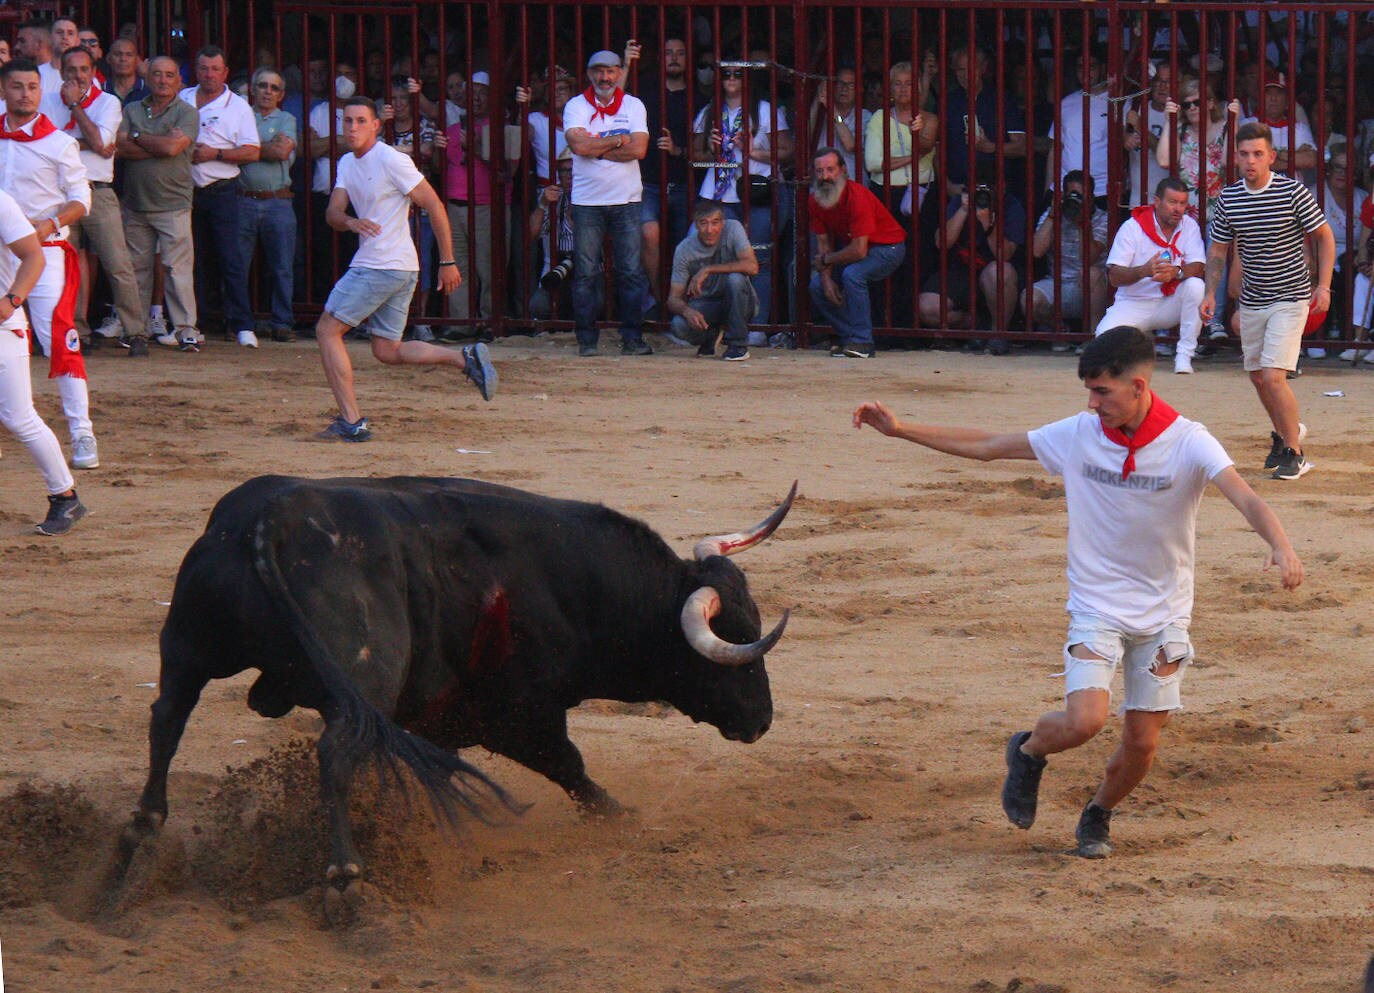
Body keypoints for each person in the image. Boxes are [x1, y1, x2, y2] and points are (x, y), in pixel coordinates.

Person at [852, 326, 1304, 859]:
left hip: (1165, 615)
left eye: (1102, 392)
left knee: (1142, 745)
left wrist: (1282, 545)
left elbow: (1247, 498)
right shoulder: (1080, 433)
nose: (1092, 403)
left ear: (1137, 386)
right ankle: (1029, 751)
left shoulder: (1189, 440)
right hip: (1097, 606)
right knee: (1084, 721)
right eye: (1089, 391)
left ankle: (1098, 814)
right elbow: (991, 446)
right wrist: (902, 430)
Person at [313, 96, 494, 443]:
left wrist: (447, 261)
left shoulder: (391, 159)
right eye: (347, 121)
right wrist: (352, 222)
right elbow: (333, 213)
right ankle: (464, 358)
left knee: (326, 330)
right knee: (387, 350)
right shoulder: (348, 163)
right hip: (397, 267)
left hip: (380, 265)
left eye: (360, 121)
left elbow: (434, 204)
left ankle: (351, 421)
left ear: (376, 125)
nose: (352, 128)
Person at [1201, 122, 1334, 481]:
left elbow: (1324, 236)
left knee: (1274, 377)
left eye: (1258, 154)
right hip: (1253, 299)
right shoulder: (1229, 198)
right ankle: (1284, 434)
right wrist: (1211, 292)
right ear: (1236, 157)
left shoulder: (1293, 192)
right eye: (1244, 154)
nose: (1250, 161)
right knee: (1259, 377)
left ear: (1271, 157)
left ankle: (1296, 453)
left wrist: (1323, 286)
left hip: (1291, 295)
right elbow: (1218, 250)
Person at [0, 59, 95, 470]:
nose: (25, 93)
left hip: (44, 250)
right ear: (4, 90)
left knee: (58, 337)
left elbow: (82, 198)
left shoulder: (58, 142)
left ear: (41, 91)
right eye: (17, 86)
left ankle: (81, 431)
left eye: (32, 87)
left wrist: (51, 223)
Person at [44, 44, 147, 356]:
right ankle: (77, 330)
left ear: (93, 71)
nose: (78, 75)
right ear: (62, 72)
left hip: (98, 190)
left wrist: (75, 108)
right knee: (67, 264)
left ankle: (136, 331)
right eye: (72, 70)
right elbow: (48, 146)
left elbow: (102, 144)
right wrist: (85, 143)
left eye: (84, 70)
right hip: (61, 193)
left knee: (118, 263)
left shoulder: (108, 103)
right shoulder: (47, 101)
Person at [0, 184, 88, 534]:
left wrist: (12, 301)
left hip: (3, 326)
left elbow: (34, 256)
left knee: (18, 417)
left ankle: (65, 496)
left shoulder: (2, 202)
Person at [692, 60, 792, 333]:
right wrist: (711, 150)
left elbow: (787, 151)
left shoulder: (764, 110)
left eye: (738, 73)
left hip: (757, 193)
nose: (732, 78)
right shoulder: (709, 112)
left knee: (759, 260)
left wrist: (753, 152)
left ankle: (757, 328)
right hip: (719, 195)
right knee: (710, 257)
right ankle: (714, 327)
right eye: (727, 73)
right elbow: (694, 157)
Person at [563, 49, 652, 357]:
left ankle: (633, 339)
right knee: (587, 272)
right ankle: (587, 340)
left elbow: (639, 149)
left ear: (618, 73)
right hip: (587, 202)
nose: (605, 77)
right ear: (590, 74)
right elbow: (577, 145)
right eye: (599, 71)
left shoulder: (633, 105)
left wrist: (594, 147)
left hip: (626, 199)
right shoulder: (575, 105)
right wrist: (616, 140)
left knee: (629, 271)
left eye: (611, 71)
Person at [116, 56, 200, 353]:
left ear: (179, 80)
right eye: (157, 74)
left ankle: (186, 330)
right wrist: (158, 143)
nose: (163, 80)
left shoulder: (188, 112)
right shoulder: (132, 108)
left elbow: (173, 147)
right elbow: (121, 146)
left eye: (169, 75)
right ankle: (135, 330)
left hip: (173, 203)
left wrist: (138, 137)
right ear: (147, 78)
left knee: (177, 270)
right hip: (136, 203)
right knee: (136, 270)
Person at [180, 45, 259, 348]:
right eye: (203, 69)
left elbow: (252, 151)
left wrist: (217, 153)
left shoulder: (238, 106)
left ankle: (242, 325)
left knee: (230, 259)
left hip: (222, 189)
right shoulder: (183, 98)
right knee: (191, 260)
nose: (209, 75)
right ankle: (194, 323)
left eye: (215, 69)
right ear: (196, 70)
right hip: (186, 191)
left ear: (225, 72)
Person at [1095, 178, 1206, 374]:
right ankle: (1139, 345)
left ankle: (1184, 355)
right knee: (1103, 343)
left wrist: (1176, 272)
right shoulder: (1132, 227)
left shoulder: (1189, 225)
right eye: (1172, 202)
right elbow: (1114, 276)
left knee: (1196, 286)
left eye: (1182, 203)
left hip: (1169, 303)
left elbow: (1198, 266)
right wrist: (1143, 270)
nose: (1178, 209)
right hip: (1133, 302)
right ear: (1156, 201)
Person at [808, 146, 906, 358]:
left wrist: (826, 260)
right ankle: (850, 338)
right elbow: (823, 243)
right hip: (856, 250)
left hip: (888, 248)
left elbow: (859, 251)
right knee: (817, 285)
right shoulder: (815, 201)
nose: (825, 176)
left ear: (843, 170)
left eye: (830, 170)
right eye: (819, 171)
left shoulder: (857, 197)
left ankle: (863, 342)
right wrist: (826, 280)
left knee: (852, 275)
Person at [918, 176, 1025, 353]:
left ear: (1001, 188)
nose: (981, 195)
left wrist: (987, 222)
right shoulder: (959, 202)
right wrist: (963, 209)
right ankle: (978, 326)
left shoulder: (1011, 206)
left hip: (995, 275)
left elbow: (1004, 255)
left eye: (986, 191)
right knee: (927, 308)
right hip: (961, 271)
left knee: (999, 272)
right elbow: (942, 244)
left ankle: (998, 333)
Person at [237, 66, 297, 345]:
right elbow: (266, 150)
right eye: (263, 85)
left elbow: (281, 151)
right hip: (243, 198)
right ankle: (241, 322)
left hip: (278, 200)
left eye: (274, 88)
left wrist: (247, 149)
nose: (267, 92)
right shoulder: (239, 114)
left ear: (281, 94)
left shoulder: (287, 118)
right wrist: (265, 148)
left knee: (282, 266)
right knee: (239, 266)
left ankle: (281, 322)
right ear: (253, 88)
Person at [636, 36, 693, 310]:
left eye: (680, 53)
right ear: (661, 57)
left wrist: (678, 150)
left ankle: (677, 301)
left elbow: (705, 148)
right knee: (649, 235)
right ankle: (658, 299)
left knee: (684, 245)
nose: (674, 58)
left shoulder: (699, 96)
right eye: (669, 53)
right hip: (648, 181)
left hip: (684, 183)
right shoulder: (645, 91)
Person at [665, 198, 758, 360]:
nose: (710, 230)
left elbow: (752, 267)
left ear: (723, 223)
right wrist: (687, 311)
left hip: (741, 300)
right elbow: (673, 298)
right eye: (703, 223)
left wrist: (708, 269)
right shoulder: (684, 249)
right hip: (707, 305)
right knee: (679, 325)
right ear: (695, 225)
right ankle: (710, 336)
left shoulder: (733, 228)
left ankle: (738, 345)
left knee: (735, 279)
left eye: (715, 223)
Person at [1027, 170, 1109, 342]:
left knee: (1091, 273)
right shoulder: (1052, 214)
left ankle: (1092, 338)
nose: (1077, 200)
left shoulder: (1102, 219)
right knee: (1029, 300)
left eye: (1081, 195)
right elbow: (1036, 251)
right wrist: (1052, 215)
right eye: (1073, 194)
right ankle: (1061, 331)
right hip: (1058, 284)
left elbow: (1089, 258)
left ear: (1092, 197)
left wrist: (1082, 223)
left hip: (1092, 289)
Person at [1155, 76, 1241, 219]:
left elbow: (1230, 161)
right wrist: (1169, 122)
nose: (1193, 108)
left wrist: (1234, 122)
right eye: (1187, 105)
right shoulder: (1181, 130)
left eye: (1197, 102)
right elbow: (1165, 161)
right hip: (1185, 216)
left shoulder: (1225, 128)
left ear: (1210, 103)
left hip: (1221, 216)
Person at [106, 38, 148, 106]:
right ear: (108, 58)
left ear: (137, 60)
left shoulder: (149, 90)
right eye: (117, 54)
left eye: (129, 55)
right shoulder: (100, 90)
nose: (123, 59)